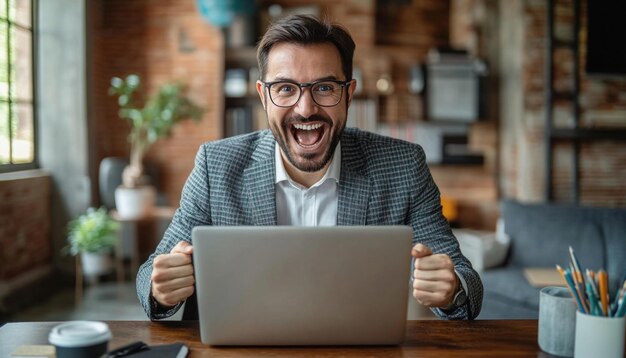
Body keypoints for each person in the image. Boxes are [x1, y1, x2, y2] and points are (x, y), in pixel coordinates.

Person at [136, 14, 483, 321]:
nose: (305, 109)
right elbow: (150, 273)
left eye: (324, 88)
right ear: (263, 95)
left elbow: (466, 279)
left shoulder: (403, 166)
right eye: (285, 88)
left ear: (349, 94)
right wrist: (160, 287)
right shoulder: (216, 166)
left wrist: (452, 289)